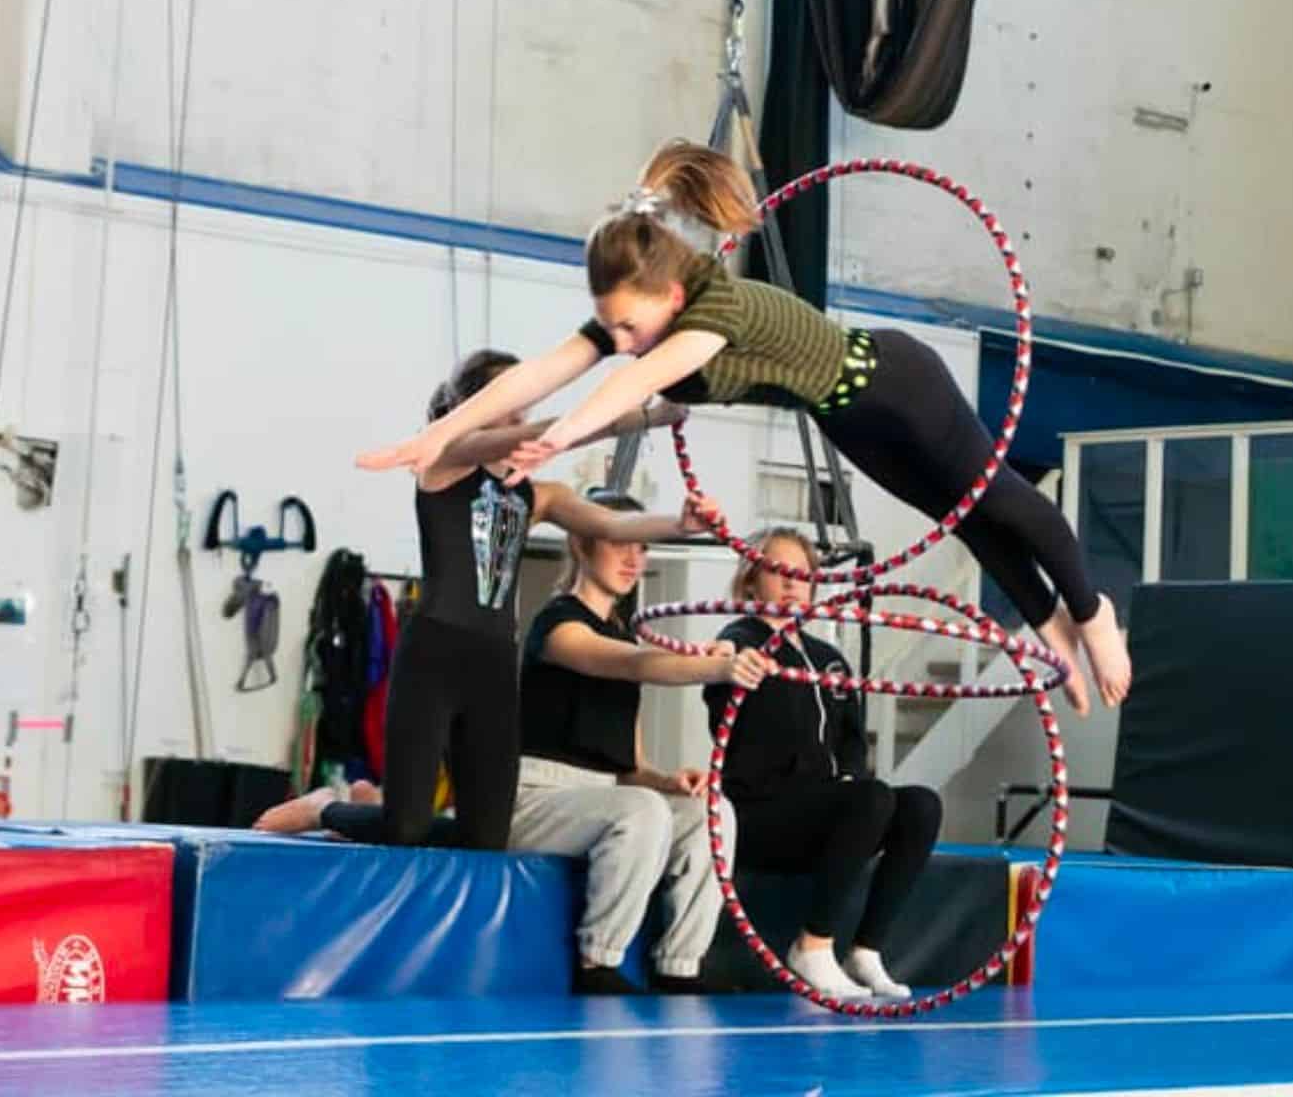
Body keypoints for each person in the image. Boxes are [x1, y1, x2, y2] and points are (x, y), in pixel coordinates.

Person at [357, 142, 1131, 715]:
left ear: (666, 293)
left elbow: (634, 380)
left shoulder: (711, 313)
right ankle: (1050, 625)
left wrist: (561, 439)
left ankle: (1095, 617)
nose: (617, 340)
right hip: (846, 416)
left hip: (898, 383)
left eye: (628, 325)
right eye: (609, 326)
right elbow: (545, 370)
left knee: (1000, 499)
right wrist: (437, 436)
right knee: (961, 520)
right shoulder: (643, 317)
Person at [254, 349, 714, 849]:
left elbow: (611, 524)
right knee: (403, 826)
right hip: (433, 656)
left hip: (493, 666)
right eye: (510, 405)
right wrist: (646, 414)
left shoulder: (538, 495)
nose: (520, 416)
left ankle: (368, 805)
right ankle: (326, 805)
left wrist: (679, 526)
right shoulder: (443, 460)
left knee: (489, 837)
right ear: (473, 407)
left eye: (524, 406)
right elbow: (540, 433)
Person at [513, 491, 769, 994]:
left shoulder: (621, 634)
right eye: (621, 542)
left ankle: (680, 963)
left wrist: (668, 780)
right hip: (533, 796)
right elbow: (634, 664)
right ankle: (597, 962)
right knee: (641, 810)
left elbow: (629, 768)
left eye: (644, 547)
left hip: (603, 793)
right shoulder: (557, 625)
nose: (635, 558)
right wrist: (715, 665)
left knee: (710, 811)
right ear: (581, 544)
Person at [705, 528, 940, 999]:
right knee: (869, 797)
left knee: (920, 805)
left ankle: (866, 950)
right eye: (779, 571)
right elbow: (719, 678)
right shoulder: (740, 642)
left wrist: (850, 781)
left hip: (825, 813)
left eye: (803, 574)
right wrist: (724, 663)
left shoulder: (828, 659)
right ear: (751, 581)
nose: (793, 582)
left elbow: (852, 740)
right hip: (760, 813)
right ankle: (812, 946)